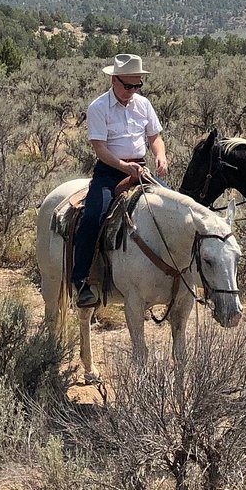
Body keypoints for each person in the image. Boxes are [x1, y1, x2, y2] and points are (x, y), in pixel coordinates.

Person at [71, 53, 169, 309]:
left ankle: (175, 274)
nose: (133, 90)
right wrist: (125, 167)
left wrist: (160, 156)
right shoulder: (98, 107)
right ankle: (81, 281)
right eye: (128, 85)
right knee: (93, 216)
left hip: (141, 169)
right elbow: (100, 149)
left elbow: (155, 137)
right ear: (114, 80)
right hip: (110, 171)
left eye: (137, 85)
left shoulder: (143, 105)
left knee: (173, 208)